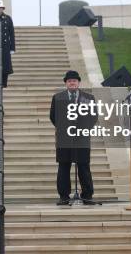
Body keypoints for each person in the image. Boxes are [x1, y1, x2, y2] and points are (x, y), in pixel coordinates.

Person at [49, 70, 97, 205]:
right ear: (66, 83)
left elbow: (93, 116)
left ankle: (87, 196)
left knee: (84, 167)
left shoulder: (88, 98)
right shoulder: (58, 97)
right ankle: (64, 196)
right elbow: (53, 116)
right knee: (64, 167)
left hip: (82, 138)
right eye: (69, 80)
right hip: (64, 139)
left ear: (78, 82)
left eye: (74, 80)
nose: (72, 82)